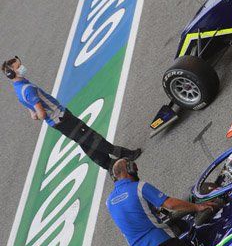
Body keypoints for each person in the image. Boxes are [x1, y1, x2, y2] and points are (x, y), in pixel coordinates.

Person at [2, 56, 141, 171]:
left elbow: (31, 109)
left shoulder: (19, 88)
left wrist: (34, 114)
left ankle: (109, 166)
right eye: (18, 67)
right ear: (11, 73)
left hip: (57, 123)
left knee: (85, 143)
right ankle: (125, 154)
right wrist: (38, 114)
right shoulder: (28, 89)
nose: (22, 67)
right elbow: (41, 114)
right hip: (62, 117)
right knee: (92, 137)